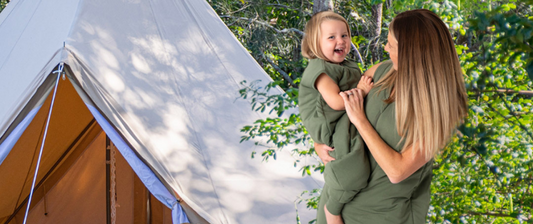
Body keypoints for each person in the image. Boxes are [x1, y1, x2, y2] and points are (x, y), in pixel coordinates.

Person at [314, 9, 468, 224]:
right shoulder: (380, 72)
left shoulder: (443, 109)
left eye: (392, 45)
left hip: (380, 216)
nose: (386, 48)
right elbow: (337, 108)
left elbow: (397, 172)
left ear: (413, 52)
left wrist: (360, 119)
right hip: (335, 203)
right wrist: (318, 141)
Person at [298, 11, 374, 222]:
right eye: (331, 37)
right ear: (315, 43)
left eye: (344, 35)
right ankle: (333, 209)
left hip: (344, 121)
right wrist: (362, 90)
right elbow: (337, 102)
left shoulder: (345, 65)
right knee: (354, 174)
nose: (340, 41)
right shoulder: (321, 69)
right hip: (331, 128)